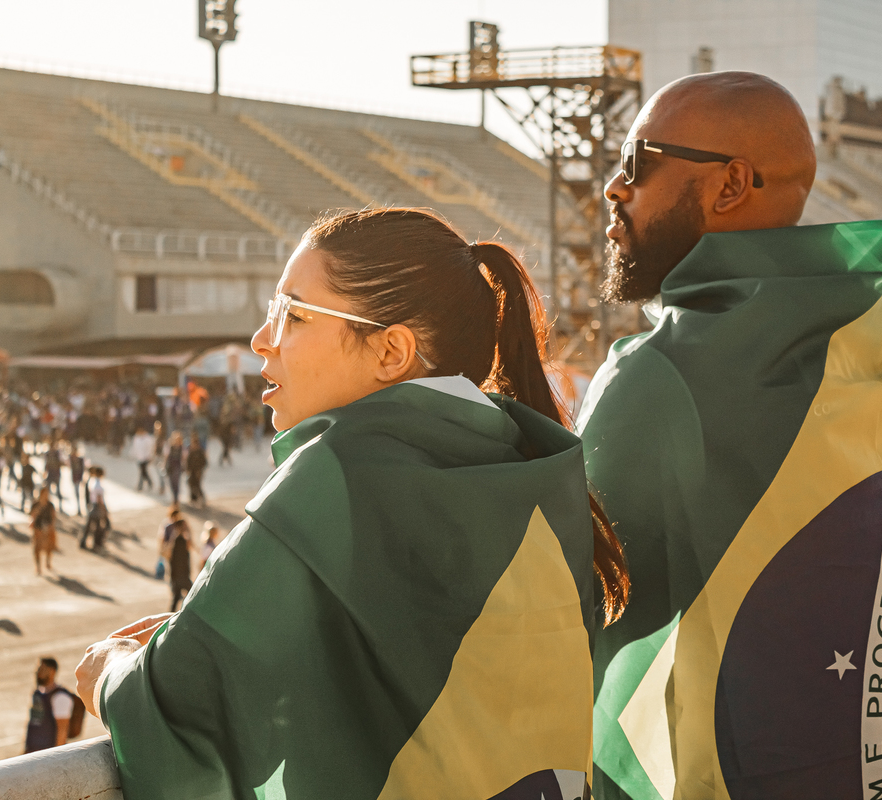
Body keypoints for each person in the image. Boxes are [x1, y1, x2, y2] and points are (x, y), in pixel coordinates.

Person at [75, 207, 629, 799]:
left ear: (390, 351)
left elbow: (178, 719)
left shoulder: (332, 477)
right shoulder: (544, 473)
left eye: (292, 314)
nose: (263, 341)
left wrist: (111, 669)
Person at [576, 72, 882, 797]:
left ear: (730, 185)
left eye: (637, 162)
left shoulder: (659, 380)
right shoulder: (881, 340)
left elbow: (554, 612)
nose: (614, 189)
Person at [24, 657, 76, 753]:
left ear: (52, 672)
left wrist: (56, 757)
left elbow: (62, 731)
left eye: (41, 669)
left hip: (47, 755)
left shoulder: (60, 697)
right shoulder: (38, 693)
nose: (37, 672)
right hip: (33, 752)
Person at [30, 485, 58, 575]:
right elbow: (32, 515)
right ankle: (38, 567)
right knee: (37, 548)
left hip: (48, 528)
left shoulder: (50, 505)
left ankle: (48, 562)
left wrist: (51, 527)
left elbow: (53, 517)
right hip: (38, 529)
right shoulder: (36, 504)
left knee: (49, 547)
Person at [80, 466, 109, 551]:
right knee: (100, 527)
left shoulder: (92, 482)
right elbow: (99, 498)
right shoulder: (98, 484)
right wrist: (105, 509)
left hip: (92, 506)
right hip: (97, 507)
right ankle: (97, 544)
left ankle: (83, 542)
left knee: (89, 526)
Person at [168, 518, 193, 612]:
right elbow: (176, 560)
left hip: (179, 575)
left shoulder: (179, 539)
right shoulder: (179, 540)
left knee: (176, 598)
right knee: (193, 594)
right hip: (181, 575)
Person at [131, 425, 156, 492]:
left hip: (146, 458)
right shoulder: (136, 438)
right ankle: (149, 483)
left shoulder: (148, 439)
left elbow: (150, 448)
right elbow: (135, 448)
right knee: (143, 472)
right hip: (139, 457)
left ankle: (140, 485)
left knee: (142, 472)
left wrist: (149, 456)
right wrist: (133, 455)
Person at [186, 434, 208, 506]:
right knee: (191, 484)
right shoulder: (191, 451)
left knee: (198, 485)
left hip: (198, 471)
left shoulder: (200, 451)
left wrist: (200, 470)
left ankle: (201, 498)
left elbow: (204, 462)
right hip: (192, 471)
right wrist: (187, 469)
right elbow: (188, 461)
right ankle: (193, 499)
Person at [164, 431, 184, 505]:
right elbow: (166, 457)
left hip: (177, 467)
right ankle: (174, 497)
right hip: (171, 467)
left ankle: (176, 498)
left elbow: (183, 458)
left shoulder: (181, 447)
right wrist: (165, 465)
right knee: (171, 483)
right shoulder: (170, 447)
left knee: (176, 483)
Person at [68, 444, 85, 516]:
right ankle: (79, 509)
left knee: (79, 494)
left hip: (78, 478)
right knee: (76, 494)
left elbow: (82, 469)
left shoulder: (80, 459)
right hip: (74, 478)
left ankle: (80, 509)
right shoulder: (72, 459)